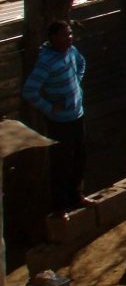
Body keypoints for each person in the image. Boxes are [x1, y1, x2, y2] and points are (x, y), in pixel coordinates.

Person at [22, 20, 90, 214]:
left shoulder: (71, 52)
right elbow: (29, 91)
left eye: (70, 34)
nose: (69, 38)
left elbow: (82, 63)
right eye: (64, 35)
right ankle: (60, 207)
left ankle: (77, 196)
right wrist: (49, 107)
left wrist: (76, 85)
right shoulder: (46, 62)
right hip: (60, 122)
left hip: (77, 115)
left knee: (79, 158)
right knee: (62, 162)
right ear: (53, 38)